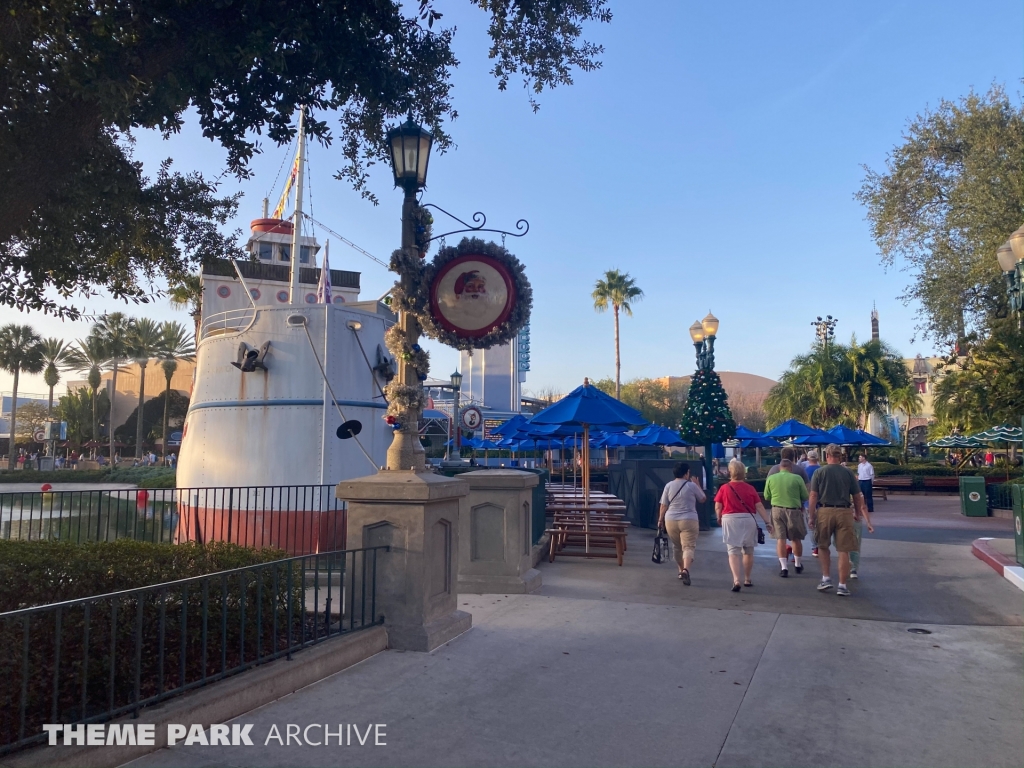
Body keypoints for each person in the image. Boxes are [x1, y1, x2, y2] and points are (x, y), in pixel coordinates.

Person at [808, 444, 868, 596]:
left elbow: (813, 495)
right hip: (844, 512)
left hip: (825, 511)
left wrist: (811, 516)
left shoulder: (819, 472)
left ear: (826, 456)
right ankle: (842, 585)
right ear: (840, 456)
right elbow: (857, 495)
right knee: (843, 550)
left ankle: (826, 578)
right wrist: (857, 514)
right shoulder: (848, 473)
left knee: (823, 546)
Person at [714, 460, 772, 592]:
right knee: (748, 551)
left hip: (730, 519)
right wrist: (767, 521)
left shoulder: (724, 488)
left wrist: (718, 516)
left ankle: (736, 579)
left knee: (733, 552)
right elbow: (759, 506)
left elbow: (718, 505)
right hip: (748, 519)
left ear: (730, 472)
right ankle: (747, 578)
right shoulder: (750, 488)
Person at [658, 462, 707, 585]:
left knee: (677, 546)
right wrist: (698, 485)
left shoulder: (668, 486)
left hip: (671, 520)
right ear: (686, 473)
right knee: (688, 546)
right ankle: (686, 570)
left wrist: (660, 520)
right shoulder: (691, 486)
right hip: (689, 519)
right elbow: (703, 499)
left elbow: (664, 505)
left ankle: (680, 570)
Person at [764, 458, 809, 577]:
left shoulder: (771, 478)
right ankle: (798, 564)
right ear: (791, 468)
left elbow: (766, 496)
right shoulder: (797, 478)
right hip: (793, 510)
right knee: (795, 538)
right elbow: (805, 495)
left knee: (780, 539)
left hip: (776, 510)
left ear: (779, 468)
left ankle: (784, 568)